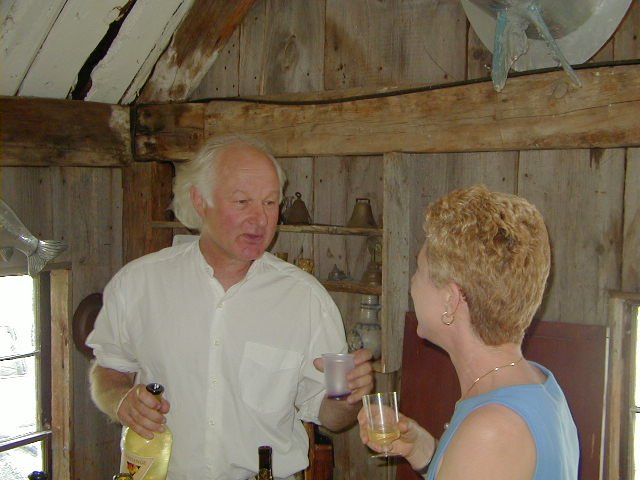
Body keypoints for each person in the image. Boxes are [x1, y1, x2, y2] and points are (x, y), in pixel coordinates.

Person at [87, 135, 374, 480]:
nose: (260, 219)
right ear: (200, 201)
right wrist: (120, 401)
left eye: (270, 203)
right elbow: (107, 370)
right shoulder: (138, 283)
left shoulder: (306, 299)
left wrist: (347, 399)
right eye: (242, 202)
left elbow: (331, 416)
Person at [358, 185, 579, 479]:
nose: (412, 284)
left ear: (450, 300)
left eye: (419, 270)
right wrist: (422, 450)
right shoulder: (536, 382)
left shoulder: (491, 432)